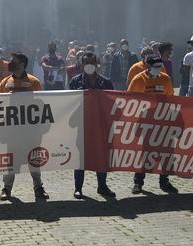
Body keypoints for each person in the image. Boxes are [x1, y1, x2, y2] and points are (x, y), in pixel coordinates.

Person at [0, 52, 49, 201]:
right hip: (12, 131)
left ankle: (39, 189)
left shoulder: (33, 82)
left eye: (13, 61)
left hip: (31, 131)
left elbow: (42, 104)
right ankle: (6, 189)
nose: (10, 63)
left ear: (22, 64)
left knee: (34, 160)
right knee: (11, 161)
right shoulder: (5, 82)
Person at [127, 54, 177, 194]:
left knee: (166, 153)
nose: (158, 69)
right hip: (145, 122)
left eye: (160, 66)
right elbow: (130, 99)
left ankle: (164, 181)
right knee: (145, 153)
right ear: (148, 66)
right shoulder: (139, 79)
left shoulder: (165, 79)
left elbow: (171, 98)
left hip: (163, 120)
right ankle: (138, 183)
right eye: (155, 67)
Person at [68, 52, 115, 199]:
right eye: (86, 62)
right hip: (81, 125)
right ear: (81, 64)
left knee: (101, 155)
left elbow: (113, 102)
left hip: (101, 125)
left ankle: (102, 186)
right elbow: (68, 103)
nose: (89, 65)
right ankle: (78, 188)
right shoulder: (75, 82)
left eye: (92, 62)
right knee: (80, 158)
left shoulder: (106, 82)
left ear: (97, 64)